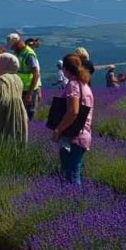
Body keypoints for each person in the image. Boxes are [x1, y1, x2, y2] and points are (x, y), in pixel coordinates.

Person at [52, 54, 94, 185]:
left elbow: (73, 111)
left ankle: (74, 203)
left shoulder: (73, 85)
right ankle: (73, 201)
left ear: (65, 68)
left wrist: (58, 130)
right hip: (83, 133)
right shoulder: (84, 84)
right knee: (73, 172)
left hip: (73, 136)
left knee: (70, 174)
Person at [0, 52, 29, 143]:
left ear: (5, 63)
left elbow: (2, 102)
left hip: (6, 118)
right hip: (19, 115)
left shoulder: (2, 80)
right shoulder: (18, 79)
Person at [7, 33, 41, 112]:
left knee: (29, 114)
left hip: (29, 89)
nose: (12, 49)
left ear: (17, 44)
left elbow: (36, 74)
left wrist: (29, 94)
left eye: (13, 46)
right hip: (20, 88)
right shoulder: (17, 53)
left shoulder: (29, 54)